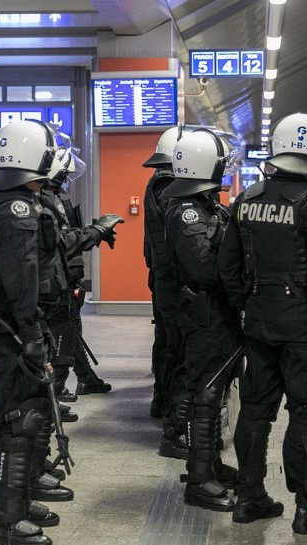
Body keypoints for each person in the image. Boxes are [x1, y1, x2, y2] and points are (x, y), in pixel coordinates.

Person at [218, 113, 307, 534]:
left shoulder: (247, 199)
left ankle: (250, 497)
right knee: (306, 411)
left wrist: (250, 301)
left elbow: (227, 266)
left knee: (256, 410)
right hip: (304, 326)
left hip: (258, 320)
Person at [0, 119, 70, 545]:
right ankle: (6, 521)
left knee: (22, 414)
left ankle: (17, 500)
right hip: (12, 328)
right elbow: (21, 278)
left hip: (10, 324)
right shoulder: (15, 208)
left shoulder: (6, 198)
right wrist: (31, 333)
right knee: (21, 419)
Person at [163, 129, 240, 512]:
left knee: (216, 393)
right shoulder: (188, 212)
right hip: (205, 315)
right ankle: (199, 480)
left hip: (217, 314)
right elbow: (205, 267)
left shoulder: (207, 205)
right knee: (204, 396)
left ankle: (210, 464)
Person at [43, 145, 119, 399]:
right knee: (63, 335)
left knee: (69, 331)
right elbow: (62, 241)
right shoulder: (42, 202)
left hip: (67, 275)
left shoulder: (56, 197)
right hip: (54, 278)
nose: (65, 181)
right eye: (63, 175)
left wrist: (95, 234)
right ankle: (56, 392)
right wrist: (95, 232)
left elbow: (70, 234)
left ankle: (82, 381)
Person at [142, 127, 192, 460]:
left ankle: (162, 399)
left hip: (162, 276)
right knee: (177, 347)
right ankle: (172, 413)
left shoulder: (158, 182)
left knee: (166, 341)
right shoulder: (167, 187)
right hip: (172, 279)